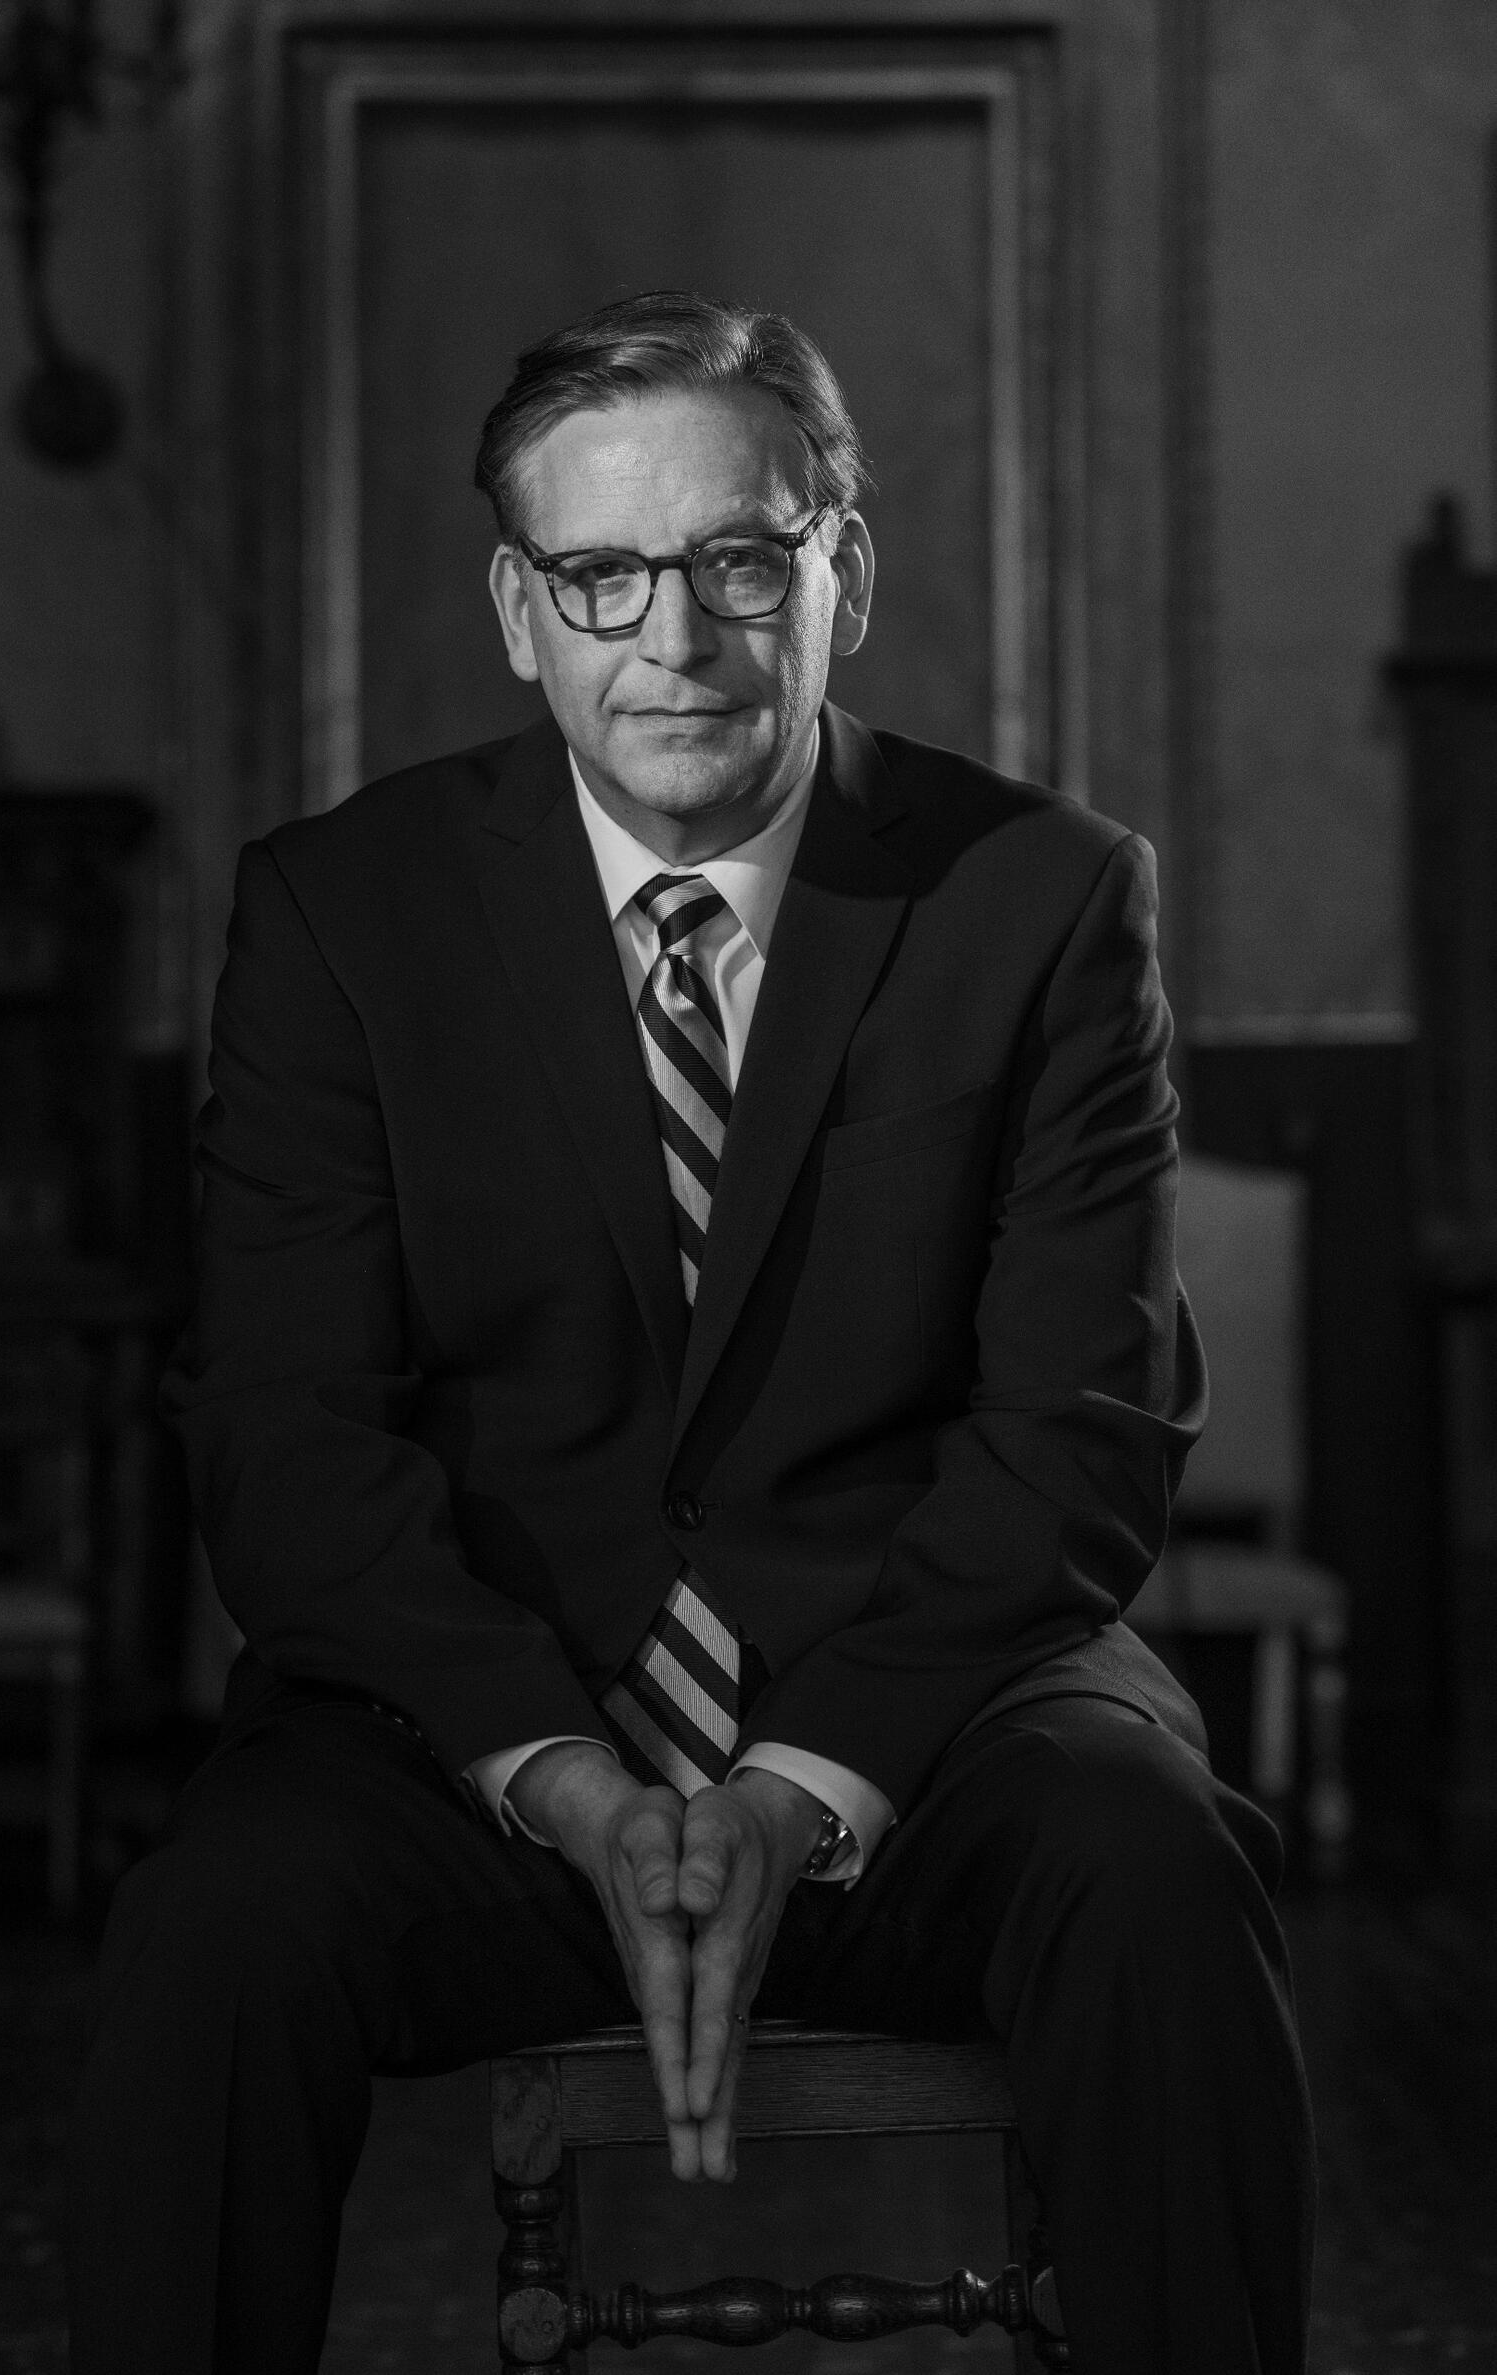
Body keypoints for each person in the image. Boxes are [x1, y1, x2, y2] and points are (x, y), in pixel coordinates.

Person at [66, 290, 1314, 2375]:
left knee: (1158, 1881)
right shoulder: (339, 913)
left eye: (743, 558)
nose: (678, 634)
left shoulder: (1046, 901)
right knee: (210, 1929)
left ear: (845, 569)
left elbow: (1083, 1424)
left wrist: (796, 1785)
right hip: (489, 1735)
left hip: (920, 1719)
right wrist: (560, 1775)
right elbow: (285, 1435)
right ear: (515, 606)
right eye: (604, 575)